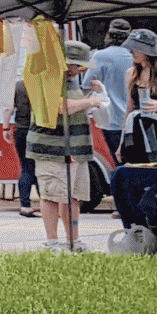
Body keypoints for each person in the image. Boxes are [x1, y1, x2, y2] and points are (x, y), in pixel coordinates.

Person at [27, 39, 109, 251]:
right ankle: (52, 242)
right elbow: (58, 108)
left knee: (74, 197)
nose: (78, 69)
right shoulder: (47, 78)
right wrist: (90, 102)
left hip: (77, 149)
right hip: (51, 149)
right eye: (75, 64)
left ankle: (74, 241)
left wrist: (92, 94)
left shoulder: (73, 81)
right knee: (52, 196)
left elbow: (74, 107)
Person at [88, 18, 134, 159]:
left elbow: (87, 83)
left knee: (119, 161)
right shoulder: (137, 56)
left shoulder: (100, 55)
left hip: (112, 121)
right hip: (135, 120)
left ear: (108, 34)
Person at [123, 28, 157, 159]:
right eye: (131, 48)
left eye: (136, 48)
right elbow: (129, 108)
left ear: (148, 51)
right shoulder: (131, 74)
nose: (132, 52)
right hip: (137, 135)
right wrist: (122, 142)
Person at [10, 77, 38, 217]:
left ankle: (25, 205)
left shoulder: (19, 85)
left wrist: (4, 128)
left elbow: (9, 108)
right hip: (39, 130)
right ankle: (48, 204)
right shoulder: (42, 82)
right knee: (41, 168)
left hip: (21, 130)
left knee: (26, 168)